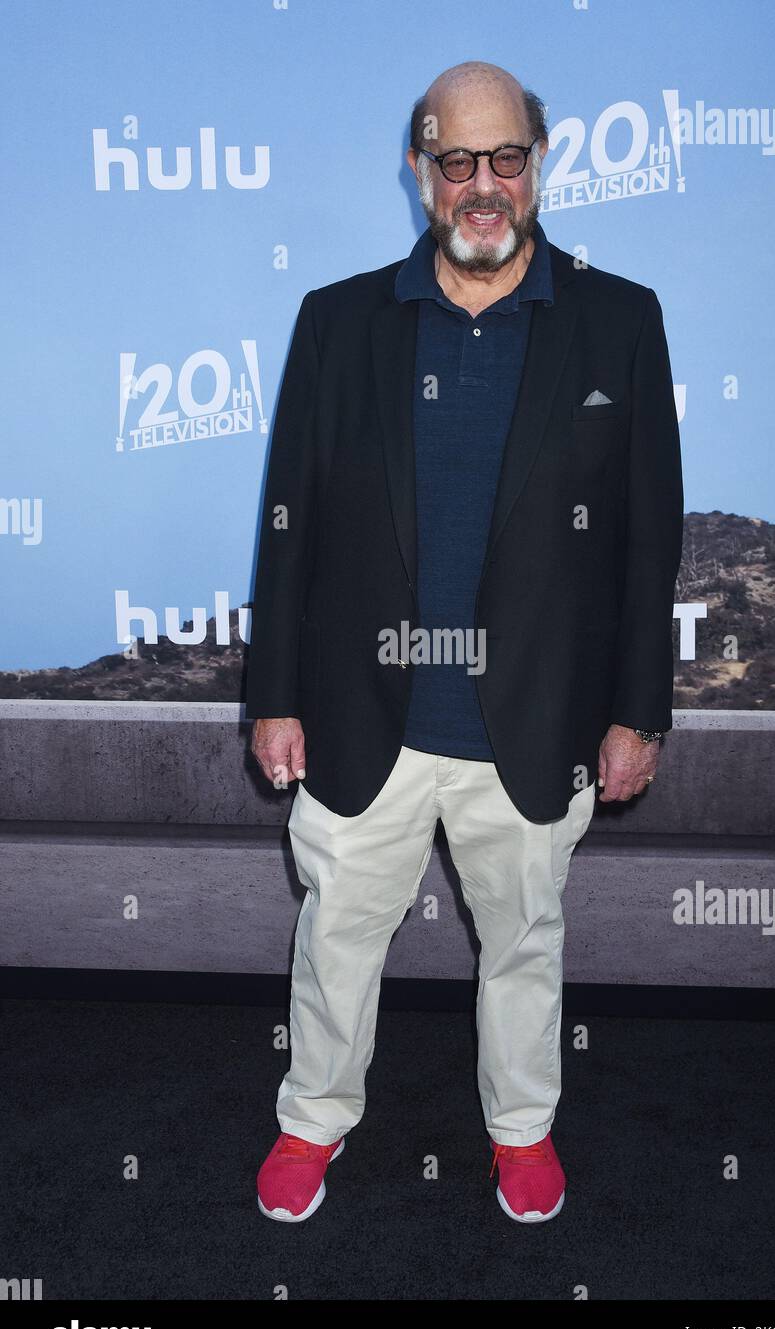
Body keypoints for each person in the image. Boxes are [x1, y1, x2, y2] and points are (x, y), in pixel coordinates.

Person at [245, 60, 683, 1224]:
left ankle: (524, 1130)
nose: (483, 187)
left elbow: (649, 540)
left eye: (507, 161)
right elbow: (287, 526)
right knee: (335, 933)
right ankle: (311, 1117)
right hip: (358, 710)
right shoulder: (337, 322)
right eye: (456, 163)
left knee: (525, 940)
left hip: (534, 718)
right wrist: (274, 695)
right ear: (420, 172)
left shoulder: (620, 318)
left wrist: (639, 710)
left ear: (539, 165)